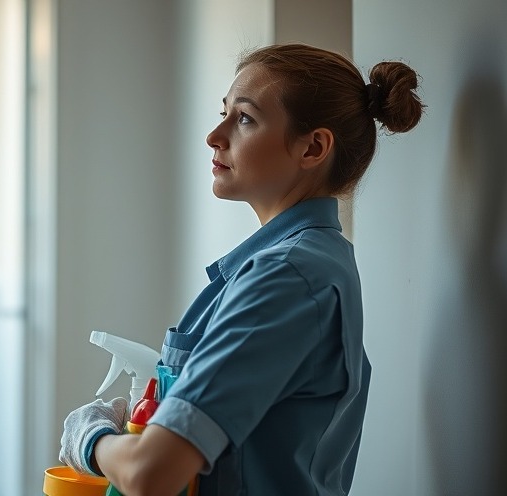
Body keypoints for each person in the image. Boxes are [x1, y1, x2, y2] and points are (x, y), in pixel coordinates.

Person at [59, 43, 424, 495]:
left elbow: (150, 474)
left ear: (313, 147)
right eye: (224, 112)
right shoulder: (311, 261)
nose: (215, 135)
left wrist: (90, 437)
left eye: (245, 119)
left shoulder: (286, 276)